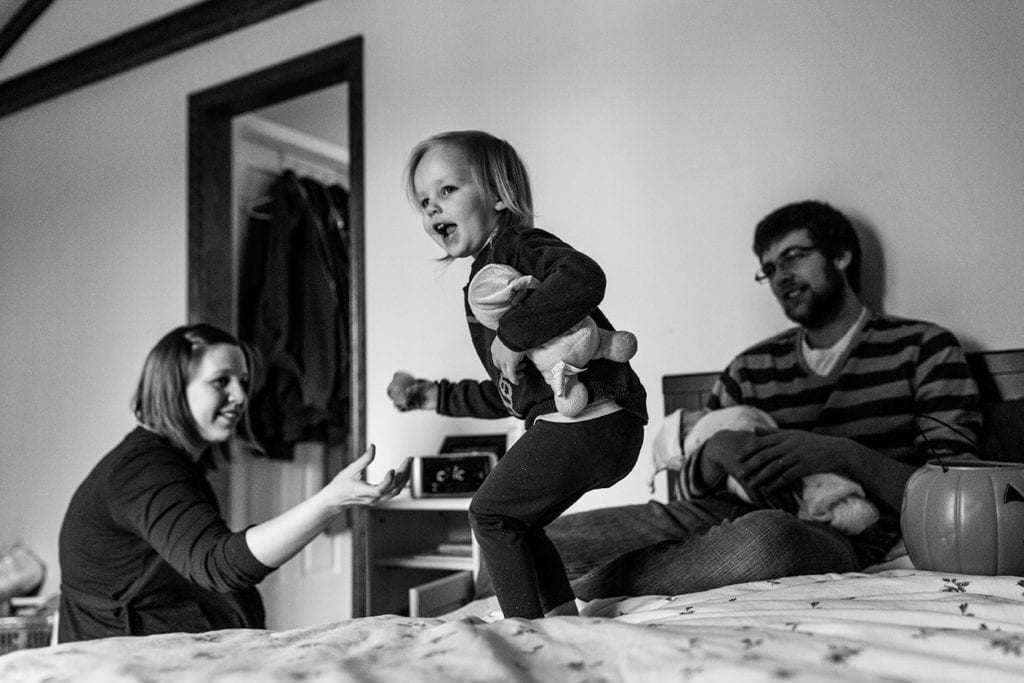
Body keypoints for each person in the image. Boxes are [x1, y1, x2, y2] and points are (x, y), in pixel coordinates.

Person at [543, 199, 982, 600]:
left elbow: (960, 494)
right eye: (769, 268)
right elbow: (690, 487)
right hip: (716, 515)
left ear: (841, 255)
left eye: (793, 256)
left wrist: (842, 456)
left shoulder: (923, 348)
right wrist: (716, 452)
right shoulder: (750, 367)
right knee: (543, 536)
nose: (780, 276)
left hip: (841, 534)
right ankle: (561, 580)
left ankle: (577, 591)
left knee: (768, 540)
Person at [388, 131, 647, 619]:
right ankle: (560, 622)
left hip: (591, 413)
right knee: (518, 525)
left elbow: (585, 276)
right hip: (593, 423)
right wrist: (429, 396)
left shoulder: (517, 245)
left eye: (447, 191)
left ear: (501, 195)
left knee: (489, 515)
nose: (432, 210)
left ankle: (524, 632)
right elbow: (510, 393)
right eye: (424, 201)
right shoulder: (483, 281)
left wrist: (513, 336)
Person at [58, 323, 411, 642]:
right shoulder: (144, 471)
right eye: (220, 381)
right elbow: (219, 564)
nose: (241, 396)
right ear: (172, 387)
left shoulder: (169, 462)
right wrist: (330, 502)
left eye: (242, 382)